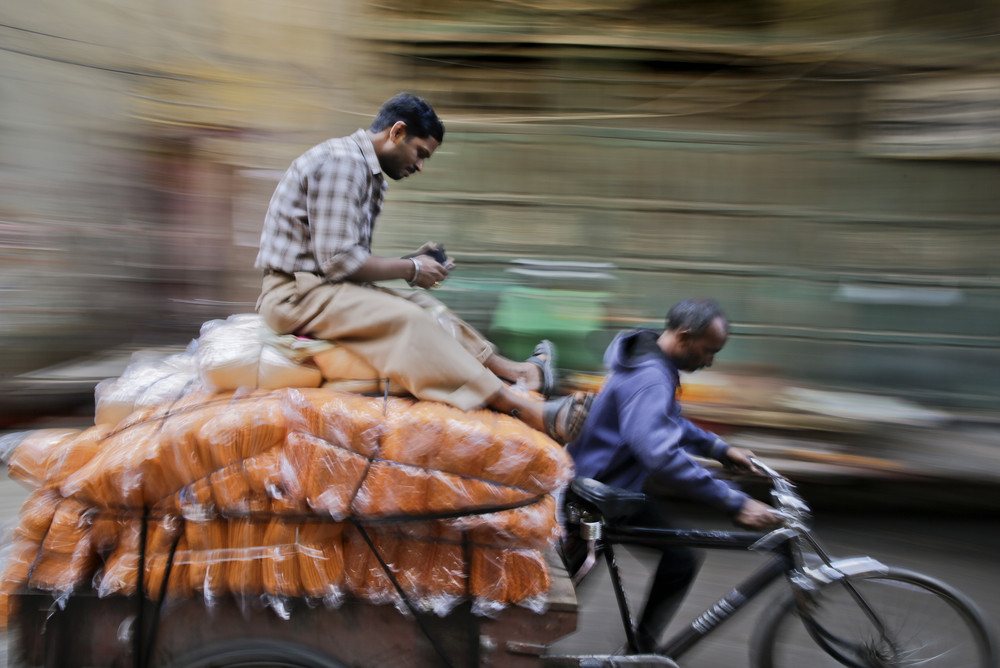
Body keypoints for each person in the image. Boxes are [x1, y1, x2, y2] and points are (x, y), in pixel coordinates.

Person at [254, 92, 591, 443]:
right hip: (294, 296)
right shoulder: (342, 162)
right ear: (397, 133)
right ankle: (521, 408)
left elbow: (342, 258)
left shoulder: (365, 170)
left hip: (322, 288)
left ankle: (520, 372)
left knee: (428, 308)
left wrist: (412, 261)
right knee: (409, 321)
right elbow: (339, 262)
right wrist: (411, 268)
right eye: (420, 154)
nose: (420, 166)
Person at [566, 297, 781, 653]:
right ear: (684, 337)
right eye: (709, 351)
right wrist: (734, 503)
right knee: (552, 602)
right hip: (595, 496)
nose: (711, 361)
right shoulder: (651, 377)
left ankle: (641, 653)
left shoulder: (651, 361)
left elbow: (668, 420)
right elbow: (660, 453)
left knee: (678, 560)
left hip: (614, 488)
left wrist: (719, 449)